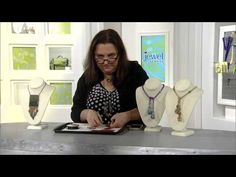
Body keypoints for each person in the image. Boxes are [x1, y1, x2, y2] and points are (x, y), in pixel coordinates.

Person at [71, 29, 149, 128]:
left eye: (111, 56)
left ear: (120, 54)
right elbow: (75, 111)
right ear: (93, 56)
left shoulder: (135, 72)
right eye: (100, 57)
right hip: (94, 139)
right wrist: (86, 113)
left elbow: (150, 106)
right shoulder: (88, 76)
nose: (106, 62)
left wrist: (128, 116)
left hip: (129, 138)